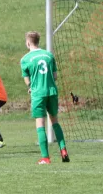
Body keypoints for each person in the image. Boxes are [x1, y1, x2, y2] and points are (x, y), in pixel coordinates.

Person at [20, 31, 69, 164]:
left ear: (28, 42)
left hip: (38, 94)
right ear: (38, 41)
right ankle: (63, 150)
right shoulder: (49, 55)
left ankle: (45, 157)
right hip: (52, 91)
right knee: (55, 121)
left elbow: (27, 81)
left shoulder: (25, 59)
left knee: (40, 123)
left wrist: (31, 86)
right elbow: (55, 76)